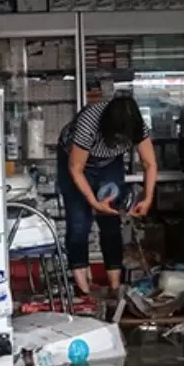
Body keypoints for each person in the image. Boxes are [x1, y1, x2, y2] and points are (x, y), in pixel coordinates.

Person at [56, 94, 157, 298]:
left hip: (108, 164)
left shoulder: (136, 124)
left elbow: (150, 163)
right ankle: (83, 290)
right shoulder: (90, 122)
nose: (120, 141)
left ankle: (115, 287)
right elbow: (76, 168)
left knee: (111, 221)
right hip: (74, 160)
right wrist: (93, 202)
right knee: (78, 223)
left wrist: (148, 198)